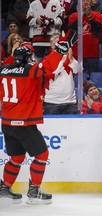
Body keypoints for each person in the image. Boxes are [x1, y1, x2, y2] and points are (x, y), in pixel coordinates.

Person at [0, 39, 71, 204]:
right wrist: (59, 51)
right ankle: (34, 192)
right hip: (23, 122)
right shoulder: (29, 69)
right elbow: (46, 67)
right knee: (42, 154)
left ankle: (4, 188)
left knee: (16, 157)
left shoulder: (3, 69)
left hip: (7, 122)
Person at [43, 33, 79, 114]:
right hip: (52, 102)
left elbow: (77, 70)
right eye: (60, 44)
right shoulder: (46, 60)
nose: (63, 47)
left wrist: (71, 58)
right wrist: (62, 62)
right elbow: (51, 75)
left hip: (70, 102)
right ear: (53, 45)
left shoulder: (69, 57)